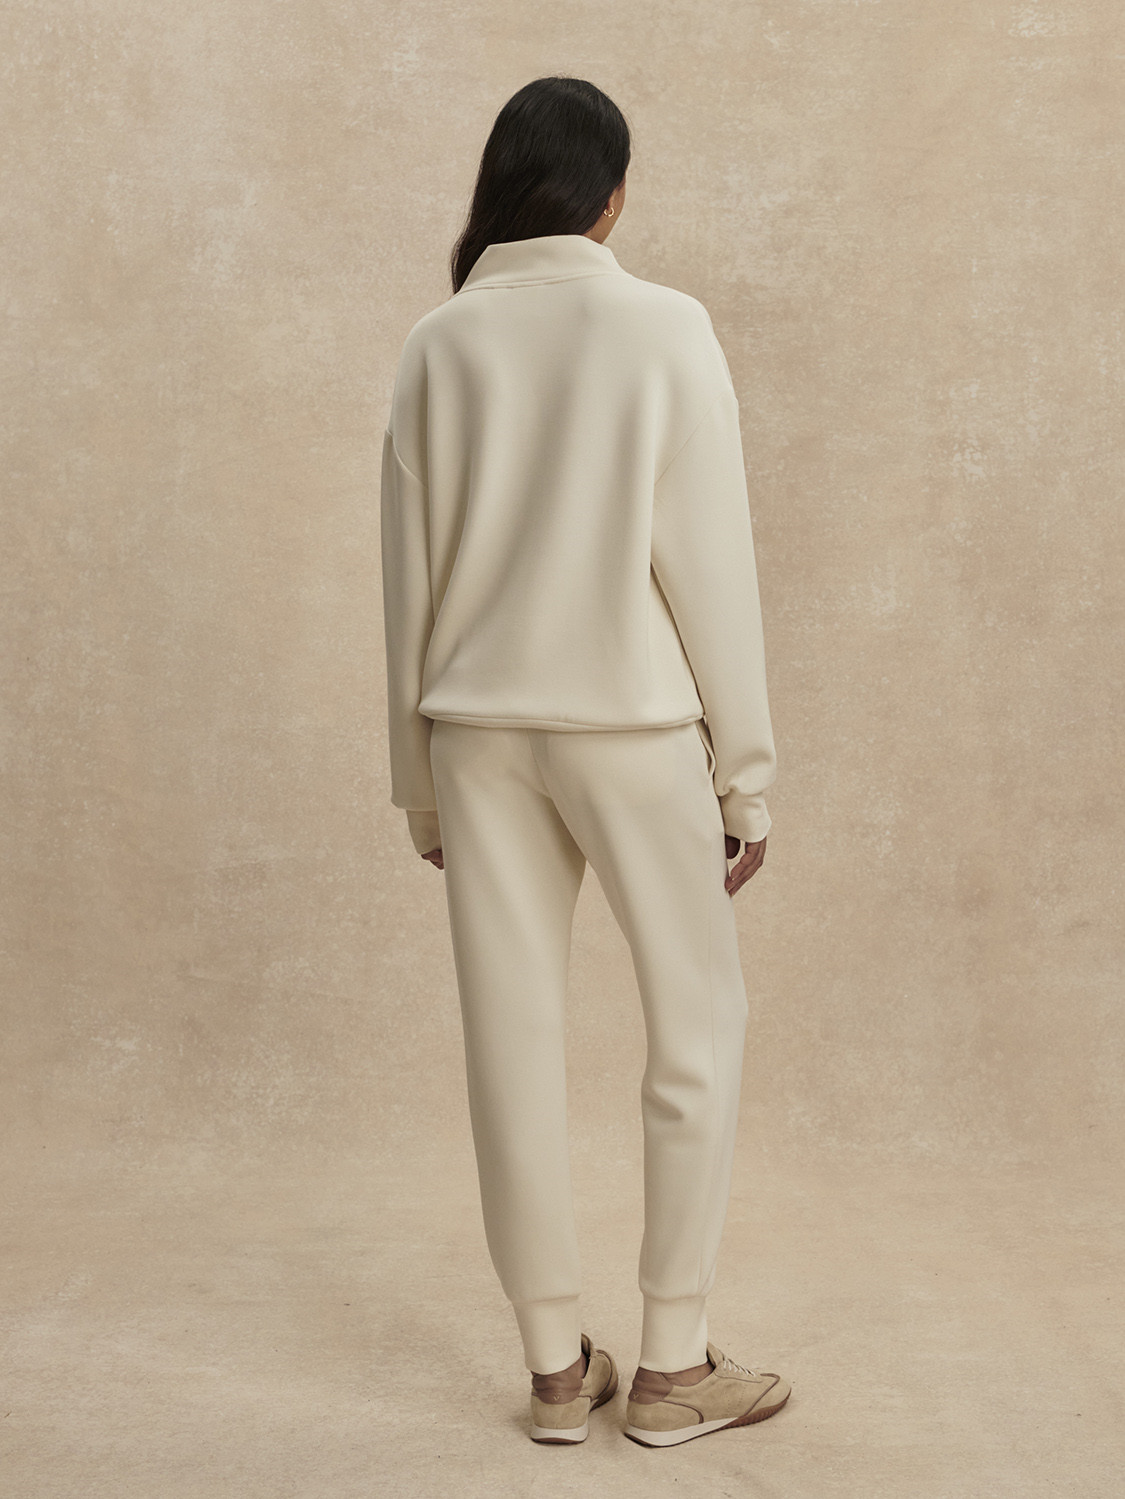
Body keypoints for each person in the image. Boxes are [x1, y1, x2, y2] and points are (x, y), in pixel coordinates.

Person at [380, 75, 791, 1447]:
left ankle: (557, 1372)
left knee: (509, 1037)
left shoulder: (438, 341)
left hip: (476, 732)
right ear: (610, 197)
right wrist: (745, 774)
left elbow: (407, 577)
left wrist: (418, 786)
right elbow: (709, 562)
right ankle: (672, 1364)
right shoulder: (664, 326)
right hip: (628, 724)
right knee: (697, 1023)